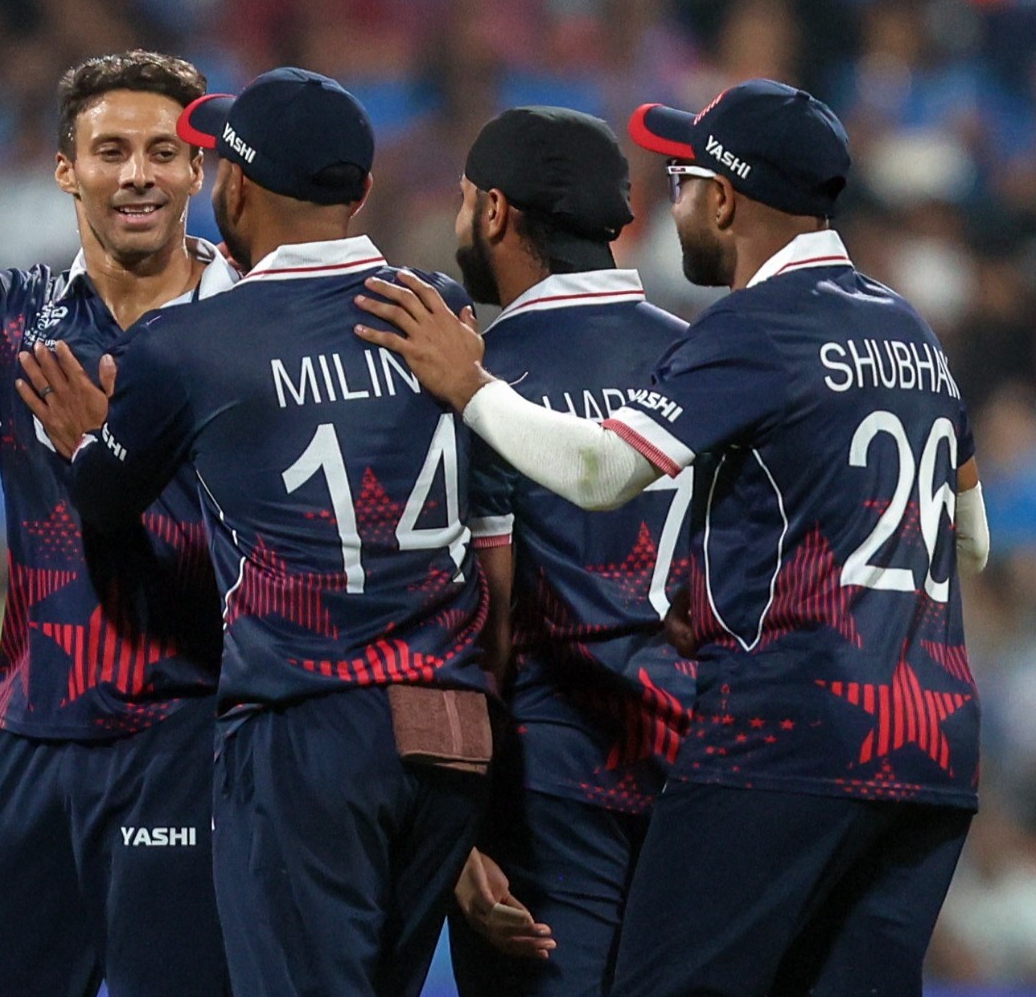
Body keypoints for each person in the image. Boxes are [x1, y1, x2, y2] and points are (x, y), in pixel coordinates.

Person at [355, 79, 989, 997]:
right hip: (932, 746)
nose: (677, 204)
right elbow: (967, 537)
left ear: (725, 198)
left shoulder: (756, 326)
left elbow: (602, 474)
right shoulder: (909, 330)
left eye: (686, 181)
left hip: (785, 729)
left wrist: (472, 387)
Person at [21, 67, 503, 997]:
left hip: (306, 724)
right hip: (451, 734)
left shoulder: (193, 341)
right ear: (361, 192)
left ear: (232, 188)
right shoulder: (438, 307)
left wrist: (83, 444)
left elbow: (107, 501)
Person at [0, 47, 234, 997]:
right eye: (109, 151)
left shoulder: (253, 323)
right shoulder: (15, 312)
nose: (136, 174)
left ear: (198, 170)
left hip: (189, 735)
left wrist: (112, 457)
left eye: (159, 152)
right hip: (25, 741)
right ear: (67, 169)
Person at [441, 108, 693, 997]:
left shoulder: (474, 373)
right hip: (699, 770)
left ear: (497, 213)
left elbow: (487, 615)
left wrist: (457, 821)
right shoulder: (703, 359)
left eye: (466, 200)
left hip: (550, 782)